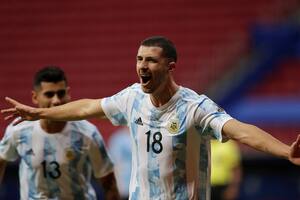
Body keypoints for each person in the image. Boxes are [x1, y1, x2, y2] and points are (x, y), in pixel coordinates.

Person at [1, 36, 300, 200]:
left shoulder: (194, 107)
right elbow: (85, 107)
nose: (142, 65)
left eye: (151, 60)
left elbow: (241, 131)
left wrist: (285, 151)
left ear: (170, 66)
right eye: (139, 59)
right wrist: (39, 113)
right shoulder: (132, 98)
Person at [0, 66, 120, 200]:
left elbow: (109, 183)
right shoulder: (19, 130)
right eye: (49, 94)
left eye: (61, 93)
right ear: (35, 97)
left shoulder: (87, 133)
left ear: (68, 93)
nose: (56, 100)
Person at [108, 127, 132, 200]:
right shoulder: (118, 139)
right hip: (125, 185)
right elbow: (115, 165)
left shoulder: (144, 136)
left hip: (141, 186)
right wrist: (118, 186)